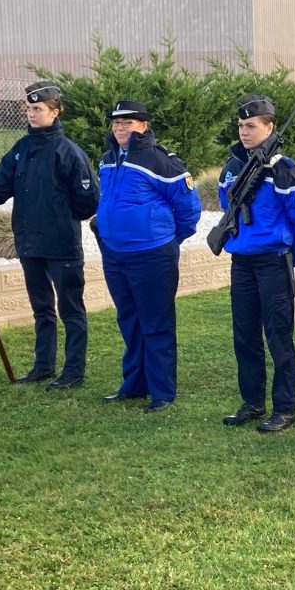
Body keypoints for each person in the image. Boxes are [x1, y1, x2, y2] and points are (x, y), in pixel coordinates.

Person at [0, 81, 99, 389]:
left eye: (38, 109)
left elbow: (88, 201)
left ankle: (73, 371)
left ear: (56, 112)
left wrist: (58, 213)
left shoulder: (68, 153)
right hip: (30, 243)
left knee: (70, 310)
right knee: (42, 308)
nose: (32, 114)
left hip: (60, 245)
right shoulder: (22, 149)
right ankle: (43, 365)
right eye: (29, 109)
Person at [218, 94, 295, 432]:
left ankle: (286, 407)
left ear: (270, 126)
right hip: (242, 262)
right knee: (244, 335)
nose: (244, 132)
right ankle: (252, 402)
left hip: (274, 261)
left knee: (278, 337)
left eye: (251, 126)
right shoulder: (232, 166)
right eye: (241, 126)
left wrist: (289, 259)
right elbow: (226, 207)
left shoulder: (284, 169)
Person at [96, 101, 202, 413]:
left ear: (143, 125)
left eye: (127, 123)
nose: (120, 128)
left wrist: (167, 239)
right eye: (116, 123)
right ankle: (134, 384)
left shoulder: (159, 160)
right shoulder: (107, 160)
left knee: (156, 323)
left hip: (152, 255)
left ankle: (162, 391)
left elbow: (189, 208)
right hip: (115, 254)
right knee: (129, 319)